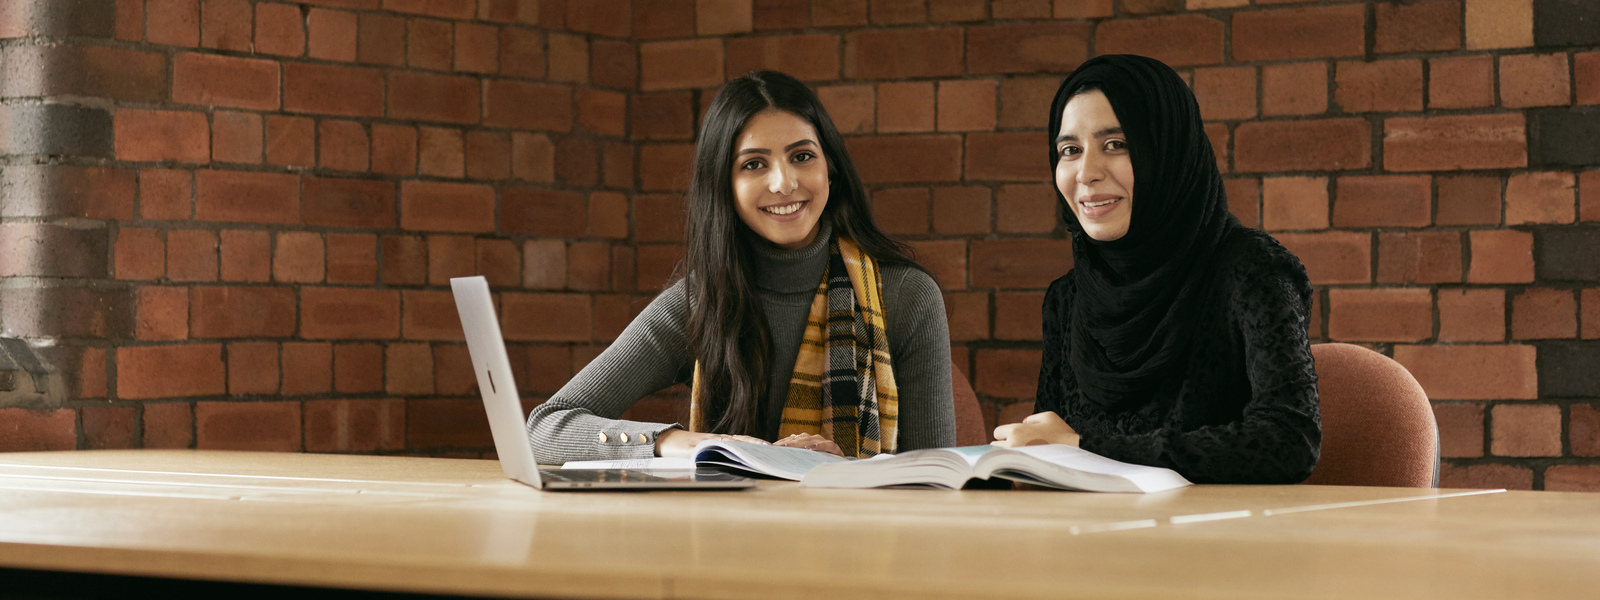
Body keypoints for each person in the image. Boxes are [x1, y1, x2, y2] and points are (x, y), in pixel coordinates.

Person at [527, 70, 954, 463]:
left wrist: (840, 472)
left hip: (871, 542)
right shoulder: (701, 302)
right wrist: (683, 442)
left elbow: (941, 477)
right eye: (754, 164)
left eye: (802, 156)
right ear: (724, 187)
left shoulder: (906, 295)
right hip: (725, 541)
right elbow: (543, 427)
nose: (783, 183)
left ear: (831, 169)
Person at [992, 55, 1320, 484]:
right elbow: (1054, 443)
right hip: (1089, 542)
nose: (1086, 174)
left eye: (1117, 144)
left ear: (1168, 152)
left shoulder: (1252, 270)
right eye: (1070, 150)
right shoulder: (1068, 298)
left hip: (1220, 540)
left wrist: (1084, 448)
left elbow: (1288, 441)